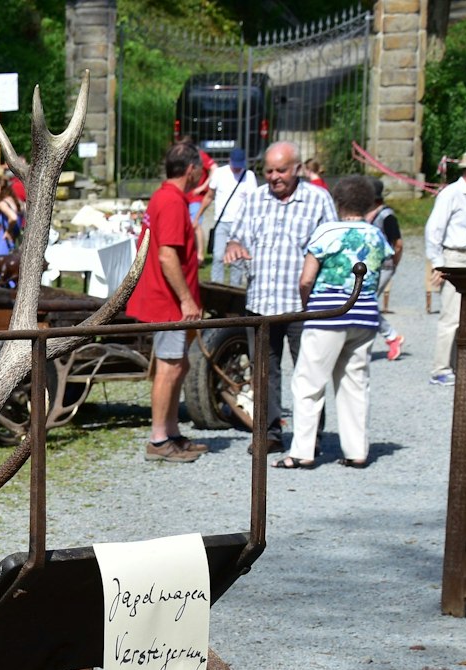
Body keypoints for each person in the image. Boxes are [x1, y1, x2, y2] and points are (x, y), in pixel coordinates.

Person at [220, 141, 337, 451]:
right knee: (263, 373)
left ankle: (309, 437)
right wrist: (234, 246)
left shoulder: (318, 200)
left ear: (297, 168)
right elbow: (236, 237)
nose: (274, 177)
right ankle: (269, 434)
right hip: (261, 302)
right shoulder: (254, 199)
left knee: (308, 372)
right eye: (269, 171)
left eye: (281, 170)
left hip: (303, 304)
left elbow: (332, 247)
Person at [274, 175, 392, 470]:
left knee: (308, 383)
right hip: (365, 315)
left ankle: (302, 451)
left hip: (327, 314)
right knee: (355, 383)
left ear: (337, 202)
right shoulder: (376, 235)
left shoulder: (327, 231)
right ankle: (356, 451)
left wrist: (308, 306)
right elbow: (388, 264)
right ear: (369, 203)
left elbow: (306, 279)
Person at [128, 141, 209, 463]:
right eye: (199, 169)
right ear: (191, 170)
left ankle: (171, 433)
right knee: (170, 367)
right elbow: (167, 256)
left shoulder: (164, 197)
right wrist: (187, 300)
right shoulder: (173, 201)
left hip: (166, 298)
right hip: (169, 301)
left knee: (179, 364)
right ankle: (159, 439)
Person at [424, 149, 466, 386]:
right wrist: (438, 263)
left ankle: (454, 365)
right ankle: (440, 368)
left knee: (464, 316)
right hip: (453, 257)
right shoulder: (451, 194)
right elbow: (434, 229)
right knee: (451, 316)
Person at [367, 178, 405, 360]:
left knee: (366, 302)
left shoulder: (387, 216)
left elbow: (398, 244)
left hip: (383, 265)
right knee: (365, 302)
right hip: (368, 265)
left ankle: (391, 336)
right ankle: (390, 336)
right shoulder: (365, 212)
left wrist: (393, 264)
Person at [207, 147, 255, 283]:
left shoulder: (249, 176)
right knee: (218, 256)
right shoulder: (219, 173)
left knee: (237, 260)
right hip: (222, 221)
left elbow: (252, 201)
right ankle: (216, 286)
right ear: (229, 161)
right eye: (235, 165)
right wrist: (198, 215)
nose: (237, 168)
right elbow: (209, 196)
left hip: (240, 224)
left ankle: (235, 287)